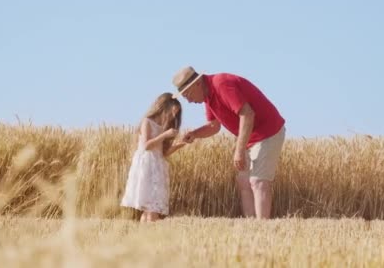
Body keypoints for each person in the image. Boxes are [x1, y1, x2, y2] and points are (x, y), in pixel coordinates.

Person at [172, 66, 285, 219]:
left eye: (187, 95)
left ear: (196, 84)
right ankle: (251, 224)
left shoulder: (221, 84)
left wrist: (239, 151)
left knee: (258, 181)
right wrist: (195, 134)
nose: (189, 101)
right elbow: (214, 126)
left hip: (267, 131)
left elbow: (247, 114)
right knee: (243, 181)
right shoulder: (208, 96)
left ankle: (262, 226)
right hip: (250, 136)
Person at [120, 92, 187, 222]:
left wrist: (181, 143)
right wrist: (165, 135)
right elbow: (146, 145)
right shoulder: (147, 122)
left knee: (151, 208)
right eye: (173, 111)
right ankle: (151, 237)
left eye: (176, 113)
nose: (174, 116)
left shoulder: (163, 128)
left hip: (157, 165)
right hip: (146, 166)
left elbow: (163, 153)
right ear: (164, 107)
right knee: (152, 207)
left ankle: (144, 236)